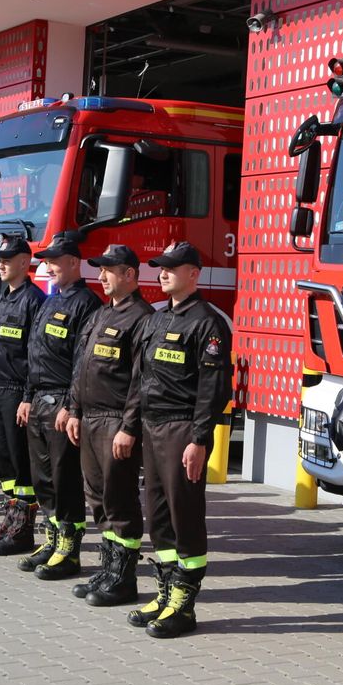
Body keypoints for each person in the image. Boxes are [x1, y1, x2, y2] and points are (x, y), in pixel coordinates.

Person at [124, 241, 232, 639]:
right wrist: (131, 426)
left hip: (182, 430)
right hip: (152, 430)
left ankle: (184, 606)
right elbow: (139, 381)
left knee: (184, 516)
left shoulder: (207, 322)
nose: (163, 273)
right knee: (159, 515)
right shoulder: (155, 320)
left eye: (172, 267)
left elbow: (213, 388)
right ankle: (167, 591)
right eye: (161, 267)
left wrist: (199, 439)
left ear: (194, 274)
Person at [63, 244, 153, 606]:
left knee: (120, 500)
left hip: (116, 422)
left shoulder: (141, 318)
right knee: (97, 497)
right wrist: (73, 409)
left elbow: (140, 382)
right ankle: (108, 568)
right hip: (90, 420)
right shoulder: (101, 315)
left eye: (108, 270)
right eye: (100, 270)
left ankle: (124, 579)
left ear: (129, 275)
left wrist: (129, 428)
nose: (101, 277)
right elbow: (81, 366)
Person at [18, 232, 101, 580]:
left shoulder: (86, 304)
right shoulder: (51, 301)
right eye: (46, 261)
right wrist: (26, 397)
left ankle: (69, 549)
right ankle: (52, 540)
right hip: (38, 401)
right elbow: (34, 355)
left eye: (54, 261)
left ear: (72, 262)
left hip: (61, 405)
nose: (48, 267)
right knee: (44, 479)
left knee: (64, 480)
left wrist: (71, 405)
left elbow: (81, 363)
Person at [0, 236, 46, 556]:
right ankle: (9, 519)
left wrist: (28, 397)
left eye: (7, 258)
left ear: (24, 262)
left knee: (21, 464)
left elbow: (35, 355)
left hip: (18, 392)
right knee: (2, 460)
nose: (0, 264)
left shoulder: (33, 300)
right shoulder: (3, 297)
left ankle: (24, 531)